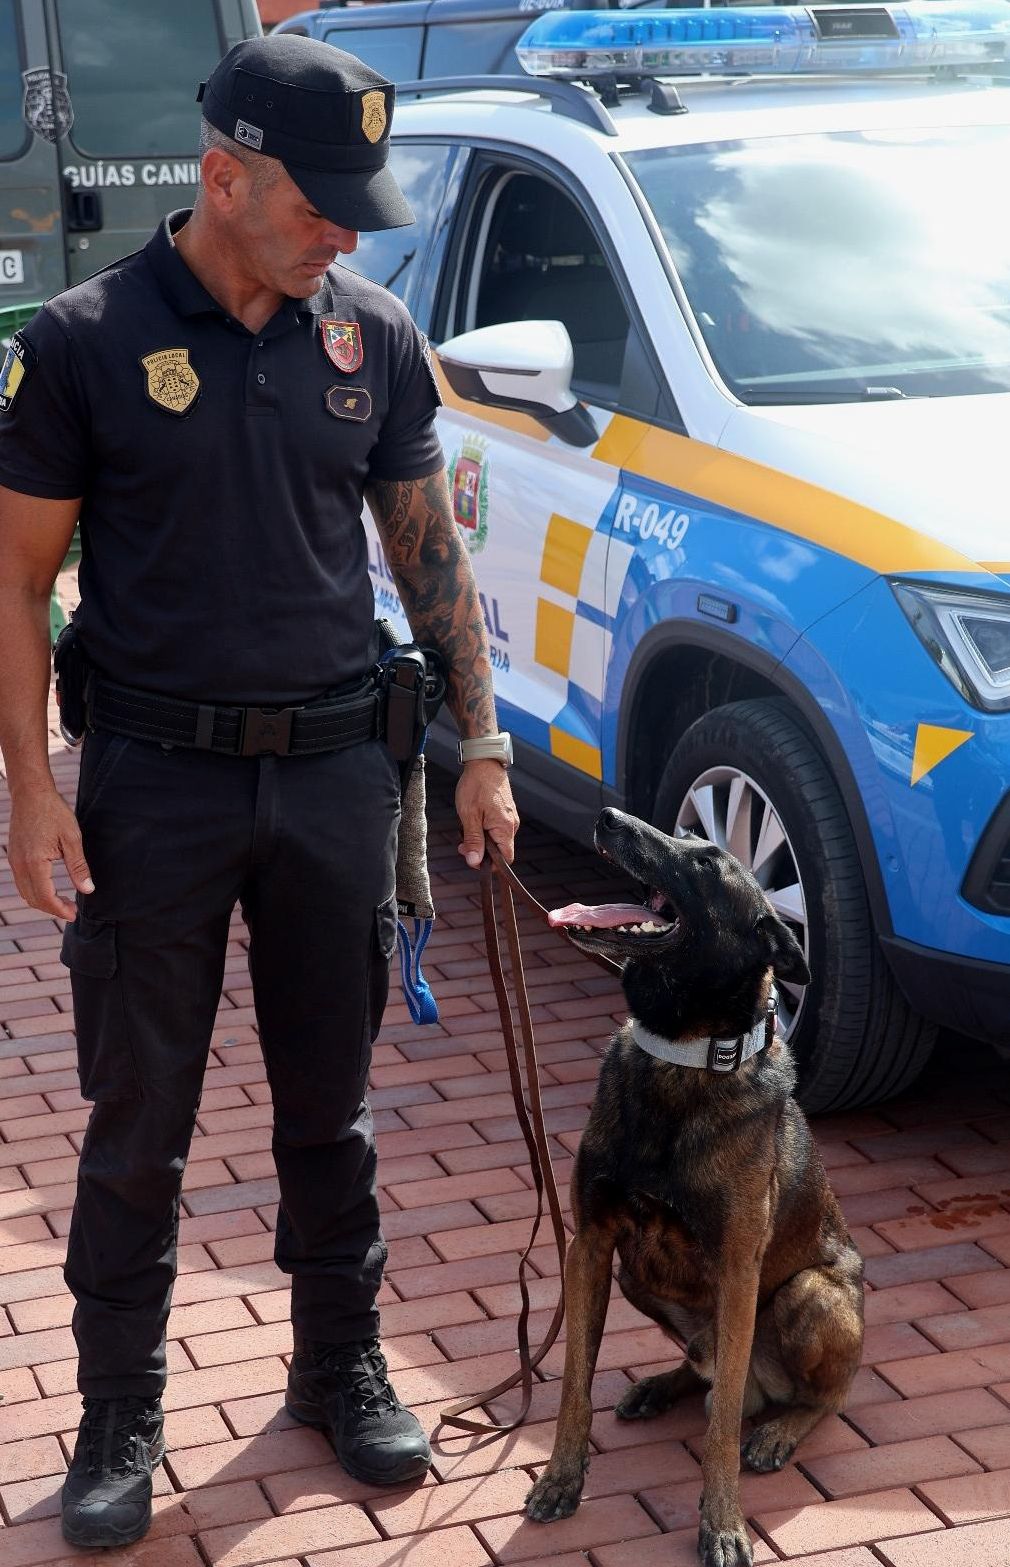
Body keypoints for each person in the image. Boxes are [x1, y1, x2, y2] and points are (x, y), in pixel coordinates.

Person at [0, 34, 518, 1552]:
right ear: (223, 178)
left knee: (330, 1110)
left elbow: (428, 553)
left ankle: (337, 1363)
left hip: (338, 779)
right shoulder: (84, 340)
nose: (346, 233)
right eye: (320, 205)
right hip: (151, 787)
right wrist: (29, 790)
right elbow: (18, 583)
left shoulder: (372, 335)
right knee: (137, 1120)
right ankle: (118, 1411)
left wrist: (481, 747)